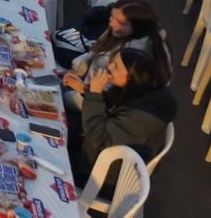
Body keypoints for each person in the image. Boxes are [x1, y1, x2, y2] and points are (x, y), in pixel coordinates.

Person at [72, 47, 177, 184]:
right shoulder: (140, 92)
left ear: (132, 77)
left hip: (104, 174)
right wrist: (87, 91)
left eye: (116, 66)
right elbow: (114, 108)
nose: (109, 67)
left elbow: (100, 139)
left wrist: (95, 94)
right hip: (97, 151)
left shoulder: (143, 116)